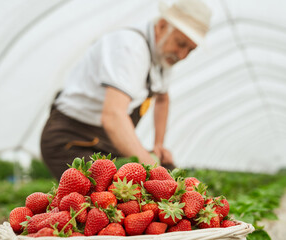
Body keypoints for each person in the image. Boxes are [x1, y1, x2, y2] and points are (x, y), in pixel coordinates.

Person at [40, 0, 212, 180]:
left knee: (162, 176)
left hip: (107, 141)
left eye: (190, 50)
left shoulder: (162, 59)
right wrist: (152, 169)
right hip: (71, 138)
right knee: (110, 195)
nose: (182, 55)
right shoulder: (130, 48)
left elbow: (162, 98)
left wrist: (158, 144)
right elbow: (113, 116)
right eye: (180, 43)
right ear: (162, 26)